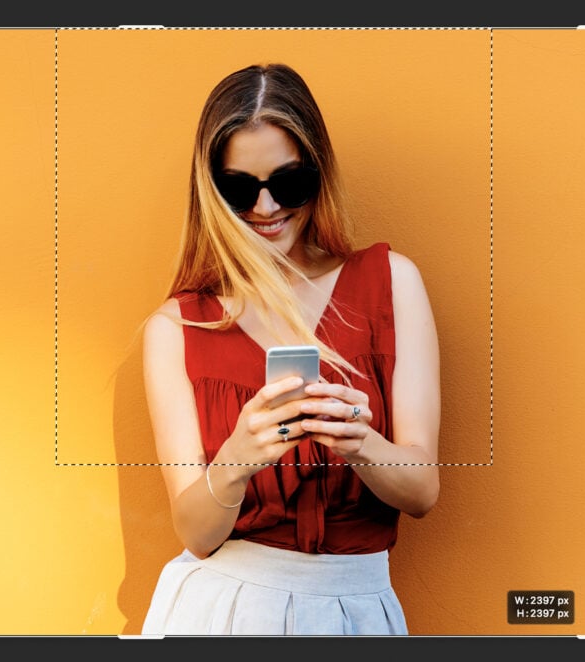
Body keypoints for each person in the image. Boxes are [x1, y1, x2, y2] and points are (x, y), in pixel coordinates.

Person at [139, 63, 441, 636]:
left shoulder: (391, 283)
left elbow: (423, 489)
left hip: (357, 608)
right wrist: (238, 456)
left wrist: (360, 444)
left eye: (289, 182)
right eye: (239, 188)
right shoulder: (176, 327)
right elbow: (196, 533)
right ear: (211, 189)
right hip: (223, 611)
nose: (266, 207)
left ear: (318, 173)